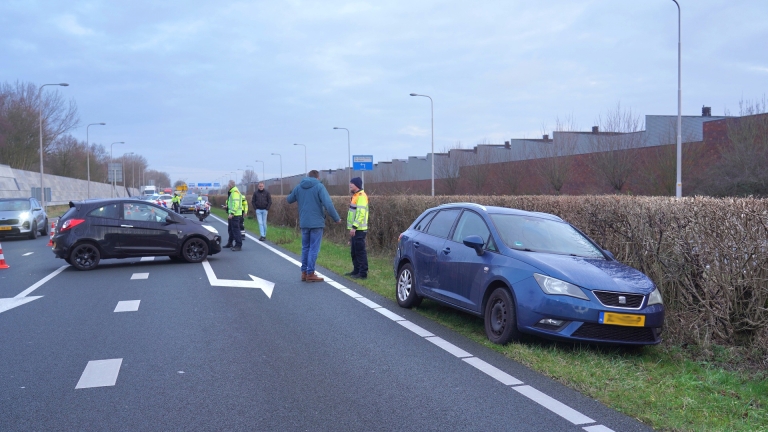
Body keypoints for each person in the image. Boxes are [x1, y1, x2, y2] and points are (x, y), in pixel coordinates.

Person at [286, 170, 341, 282]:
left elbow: (289, 199)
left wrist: (295, 191)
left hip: (304, 222)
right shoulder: (319, 186)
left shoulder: (299, 187)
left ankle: (304, 272)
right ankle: (311, 273)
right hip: (316, 222)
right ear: (317, 177)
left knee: (305, 247)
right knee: (314, 248)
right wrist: (336, 218)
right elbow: (328, 204)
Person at [345, 177, 369, 279]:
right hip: (355, 229)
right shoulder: (355, 196)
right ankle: (356, 270)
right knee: (354, 251)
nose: (350, 185)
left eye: (352, 183)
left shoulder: (361, 196)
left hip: (359, 229)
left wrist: (354, 227)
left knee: (360, 251)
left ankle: (363, 273)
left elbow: (361, 213)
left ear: (357, 185)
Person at [224, 180, 243, 251]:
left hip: (235, 214)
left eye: (228, 185)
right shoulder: (232, 192)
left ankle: (238, 245)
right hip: (232, 213)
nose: (227, 186)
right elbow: (232, 203)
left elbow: (236, 204)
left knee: (235, 230)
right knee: (231, 230)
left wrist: (232, 213)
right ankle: (230, 243)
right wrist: (227, 207)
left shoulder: (235, 192)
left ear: (230, 185)